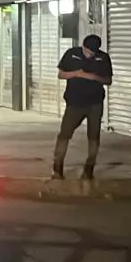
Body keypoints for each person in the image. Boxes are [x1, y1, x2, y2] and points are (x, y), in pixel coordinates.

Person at [53, 34, 113, 180]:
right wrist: (77, 74)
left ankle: (89, 170)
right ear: (83, 47)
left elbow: (108, 80)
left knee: (93, 137)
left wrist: (94, 77)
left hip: (95, 103)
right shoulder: (71, 54)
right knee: (64, 135)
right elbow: (61, 75)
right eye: (88, 52)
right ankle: (57, 168)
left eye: (93, 53)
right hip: (74, 103)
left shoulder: (103, 58)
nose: (90, 55)